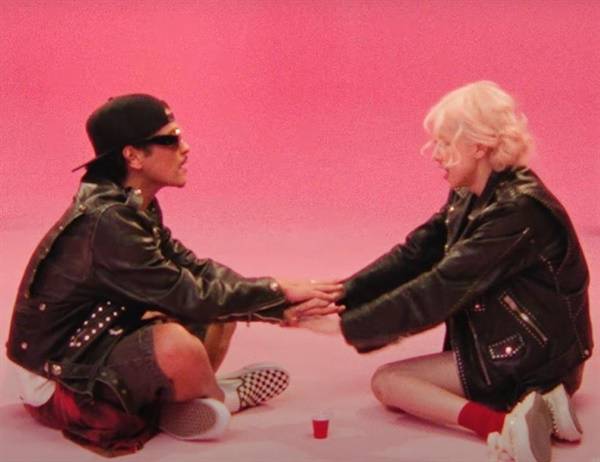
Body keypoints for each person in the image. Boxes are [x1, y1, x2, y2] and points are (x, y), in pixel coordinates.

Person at [6, 94, 343, 455]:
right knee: (177, 346)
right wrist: (278, 295)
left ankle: (191, 398)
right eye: (171, 139)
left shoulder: (131, 204)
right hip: (58, 381)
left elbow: (193, 269)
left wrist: (280, 301)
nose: (185, 148)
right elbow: (187, 295)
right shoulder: (109, 221)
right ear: (133, 156)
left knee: (219, 310)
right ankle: (220, 397)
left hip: (96, 342)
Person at [334, 81, 593, 462]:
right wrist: (339, 296)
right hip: (536, 352)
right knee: (394, 378)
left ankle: (503, 424)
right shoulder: (471, 194)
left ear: (478, 146)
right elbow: (415, 254)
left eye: (444, 143)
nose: (436, 155)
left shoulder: (516, 209)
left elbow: (441, 288)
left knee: (388, 382)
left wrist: (348, 325)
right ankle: (545, 403)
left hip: (533, 357)